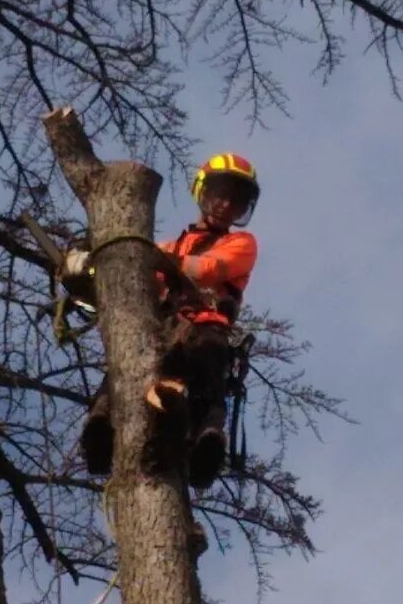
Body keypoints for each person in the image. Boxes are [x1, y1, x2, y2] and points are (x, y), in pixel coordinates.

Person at [69, 153, 260, 487]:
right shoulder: (171, 245)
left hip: (204, 327)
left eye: (237, 199)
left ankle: (207, 437)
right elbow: (131, 280)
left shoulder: (240, 243)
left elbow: (206, 270)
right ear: (203, 192)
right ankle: (101, 425)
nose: (226, 203)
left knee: (208, 362)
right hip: (158, 329)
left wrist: (141, 254)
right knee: (126, 364)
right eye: (220, 191)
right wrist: (92, 267)